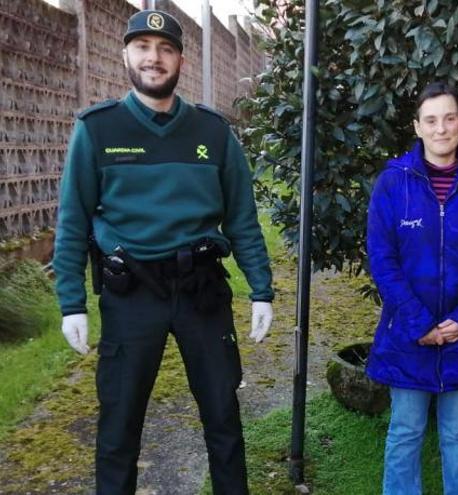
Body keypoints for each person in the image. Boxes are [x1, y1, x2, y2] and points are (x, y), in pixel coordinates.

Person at [52, 10, 274, 494]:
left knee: (223, 419)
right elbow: (72, 222)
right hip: (132, 291)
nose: (154, 58)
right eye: (143, 47)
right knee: (118, 428)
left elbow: (241, 219)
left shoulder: (214, 133)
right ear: (126, 55)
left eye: (166, 48)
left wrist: (262, 288)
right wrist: (72, 301)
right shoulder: (96, 130)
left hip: (201, 290)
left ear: (180, 59)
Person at [365, 81, 458, 494]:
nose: (441, 128)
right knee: (405, 432)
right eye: (431, 120)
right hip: (409, 337)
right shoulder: (393, 185)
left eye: (450, 118)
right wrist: (419, 322)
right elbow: (382, 259)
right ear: (417, 126)